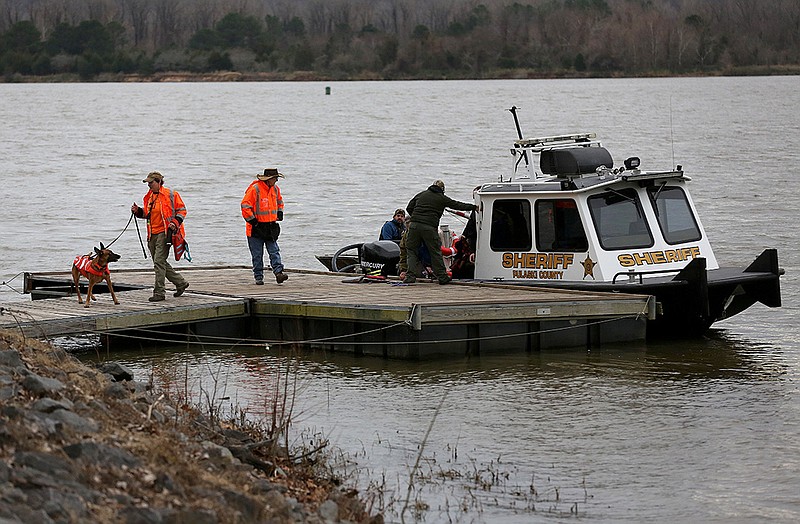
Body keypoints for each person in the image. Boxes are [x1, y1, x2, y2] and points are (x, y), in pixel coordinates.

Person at [404, 180, 478, 285]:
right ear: (442, 189)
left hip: (414, 226)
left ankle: (410, 276)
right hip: (429, 228)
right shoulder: (441, 198)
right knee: (435, 251)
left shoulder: (421, 194)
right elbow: (457, 205)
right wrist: (473, 207)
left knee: (411, 251)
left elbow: (409, 207)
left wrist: (417, 217)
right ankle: (442, 277)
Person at [131, 171, 189, 302]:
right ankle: (180, 283)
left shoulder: (171, 195)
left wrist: (175, 223)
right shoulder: (148, 197)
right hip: (152, 234)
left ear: (159, 182)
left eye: (151, 183)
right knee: (159, 262)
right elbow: (147, 214)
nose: (149, 185)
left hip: (166, 233)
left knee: (158, 261)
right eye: (148, 183)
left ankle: (159, 293)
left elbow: (182, 210)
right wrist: (138, 211)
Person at [241, 168, 288, 285]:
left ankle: (279, 273)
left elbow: (280, 202)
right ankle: (258, 277)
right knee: (257, 254)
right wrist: (253, 222)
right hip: (255, 228)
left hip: (270, 227)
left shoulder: (276, 189)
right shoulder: (255, 189)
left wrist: (280, 212)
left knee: (274, 251)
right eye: (275, 178)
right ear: (269, 179)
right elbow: (245, 206)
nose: (277, 180)